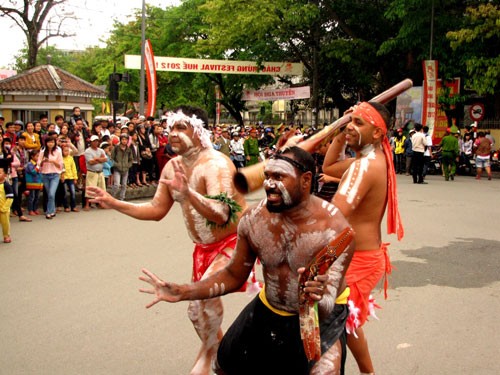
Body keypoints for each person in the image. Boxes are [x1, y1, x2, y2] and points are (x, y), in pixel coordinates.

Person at [138, 146, 355, 375]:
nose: (269, 184)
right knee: (223, 365)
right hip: (270, 306)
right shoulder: (255, 219)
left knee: (323, 373)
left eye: (279, 177)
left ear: (306, 180)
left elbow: (326, 305)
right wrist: (184, 291)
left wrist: (317, 297)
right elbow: (233, 275)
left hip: (316, 318)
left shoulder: (335, 231)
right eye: (267, 177)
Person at [87, 105, 249, 375]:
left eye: (181, 127)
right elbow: (156, 211)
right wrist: (115, 202)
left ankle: (215, 363)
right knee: (198, 313)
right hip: (203, 249)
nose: (172, 133)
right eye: (170, 127)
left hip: (232, 244)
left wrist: (189, 195)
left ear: (198, 131)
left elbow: (222, 215)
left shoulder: (216, 164)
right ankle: (225, 362)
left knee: (199, 306)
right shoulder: (172, 166)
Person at [322, 101, 404, 375]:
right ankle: (368, 372)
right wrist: (338, 131)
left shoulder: (364, 166)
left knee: (342, 321)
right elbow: (330, 165)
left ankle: (367, 372)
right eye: (350, 121)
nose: (351, 127)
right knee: (350, 321)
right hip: (362, 257)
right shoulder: (368, 160)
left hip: (357, 260)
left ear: (379, 133)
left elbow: (334, 216)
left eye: (359, 123)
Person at [37, 135, 63, 219]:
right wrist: (43, 161)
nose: (50, 144)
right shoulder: (43, 151)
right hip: (45, 174)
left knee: (52, 193)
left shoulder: (58, 151)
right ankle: (52, 210)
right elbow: (38, 164)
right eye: (49, 142)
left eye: (52, 142)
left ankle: (48, 212)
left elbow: (60, 165)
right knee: (49, 194)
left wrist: (52, 161)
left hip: (55, 174)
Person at [83, 135, 108, 211]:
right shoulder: (87, 151)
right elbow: (90, 162)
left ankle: (100, 203)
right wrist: (100, 159)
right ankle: (87, 204)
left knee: (101, 188)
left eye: (97, 141)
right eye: (94, 141)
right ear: (91, 142)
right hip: (92, 172)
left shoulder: (101, 150)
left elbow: (105, 159)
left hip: (100, 172)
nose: (96, 142)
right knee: (90, 188)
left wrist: (97, 159)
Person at [111, 134, 133, 201]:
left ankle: (122, 198)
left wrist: (128, 165)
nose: (124, 141)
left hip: (125, 169)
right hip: (117, 168)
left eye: (125, 139)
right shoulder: (116, 148)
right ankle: (112, 197)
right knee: (116, 185)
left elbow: (131, 159)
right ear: (120, 140)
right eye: (123, 139)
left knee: (124, 185)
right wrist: (116, 164)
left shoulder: (128, 149)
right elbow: (111, 158)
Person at [25, 149, 43, 216]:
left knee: (37, 197)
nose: (38, 158)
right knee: (31, 197)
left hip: (38, 183)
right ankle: (30, 210)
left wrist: (41, 183)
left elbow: (40, 174)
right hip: (31, 183)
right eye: (37, 156)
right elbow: (33, 172)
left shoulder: (38, 164)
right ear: (32, 156)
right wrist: (38, 166)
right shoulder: (30, 164)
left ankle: (35, 209)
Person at [0, 163, 14, 243]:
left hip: (3, 209)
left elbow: (10, 198)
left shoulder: (6, 185)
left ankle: (6, 235)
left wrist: (4, 208)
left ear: (5, 175)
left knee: (5, 224)